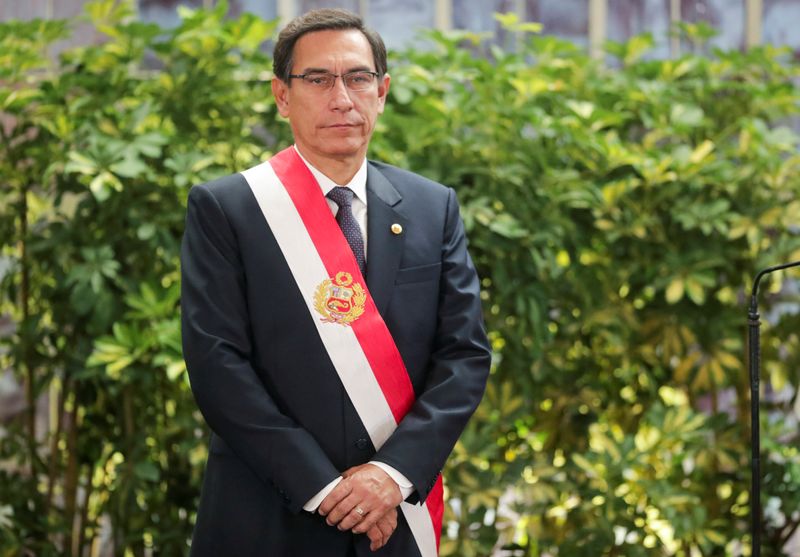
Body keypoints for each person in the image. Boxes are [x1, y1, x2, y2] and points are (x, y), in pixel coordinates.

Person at [180, 8, 491, 557]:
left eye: (358, 77)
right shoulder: (229, 209)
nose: (341, 97)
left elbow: (464, 357)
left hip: (393, 515)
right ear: (282, 95)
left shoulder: (431, 206)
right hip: (269, 515)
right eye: (318, 80)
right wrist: (328, 491)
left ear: (383, 91)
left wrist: (389, 476)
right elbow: (217, 365)